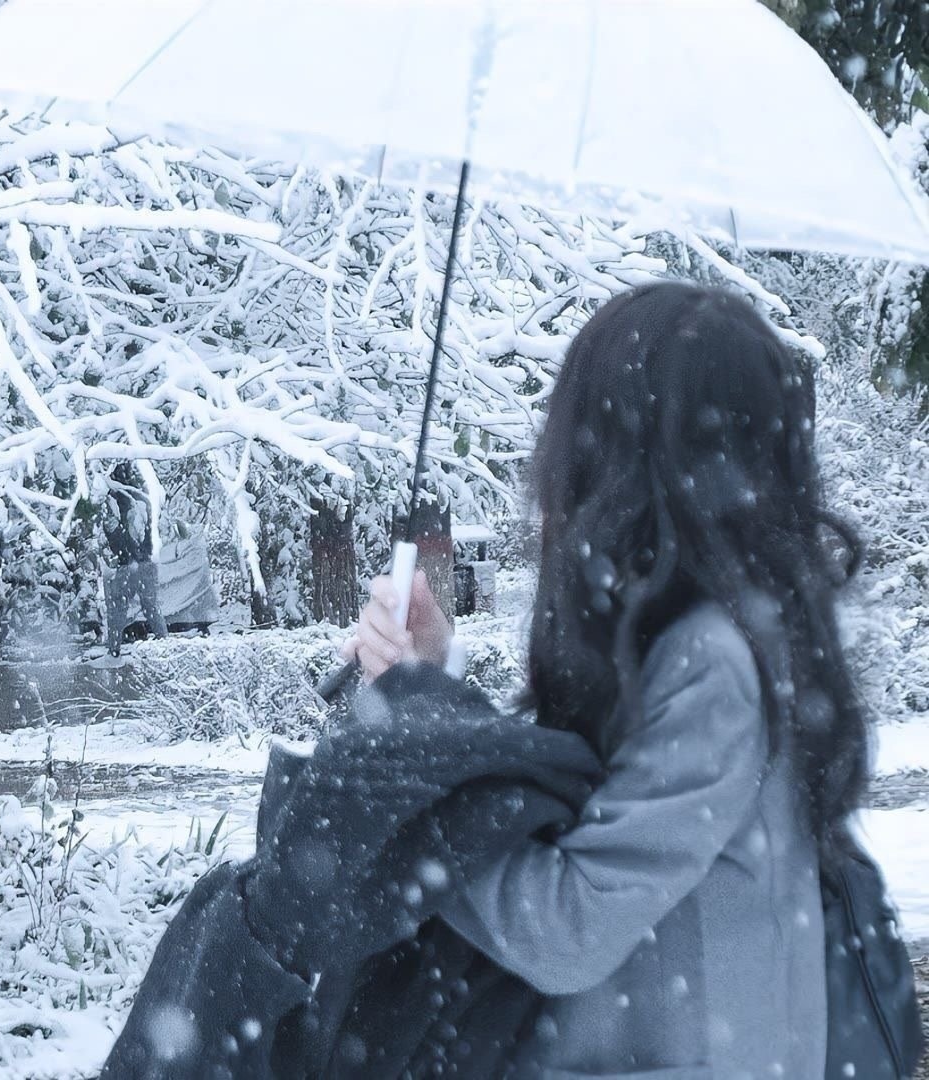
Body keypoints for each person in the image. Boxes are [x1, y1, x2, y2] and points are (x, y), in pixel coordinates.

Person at [343, 281, 869, 1077]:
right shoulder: (706, 627)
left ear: (618, 450)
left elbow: (568, 927)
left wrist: (416, 766)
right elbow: (598, 821)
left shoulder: (711, 659)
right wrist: (432, 675)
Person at [102, 463, 169, 656]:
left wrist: (124, 553)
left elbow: (115, 534)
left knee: (117, 609)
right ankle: (165, 645)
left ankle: (113, 651)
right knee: (151, 606)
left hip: (128, 564)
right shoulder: (143, 497)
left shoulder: (113, 500)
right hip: (146, 561)